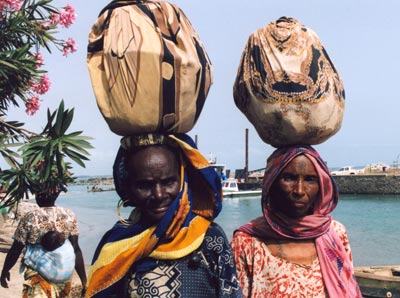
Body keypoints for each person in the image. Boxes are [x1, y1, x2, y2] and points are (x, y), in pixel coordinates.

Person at [85, 133, 242, 297]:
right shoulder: (115, 247)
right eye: (145, 185)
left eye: (168, 182)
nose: (159, 195)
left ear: (183, 181)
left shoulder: (210, 239)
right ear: (129, 188)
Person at [231, 145, 362, 297]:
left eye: (310, 180)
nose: (299, 190)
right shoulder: (247, 242)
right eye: (289, 178)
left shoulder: (335, 233)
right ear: (271, 183)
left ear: (322, 186)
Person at [0, 186, 87, 297]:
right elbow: (76, 249)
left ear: (38, 196)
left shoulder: (30, 217)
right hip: (63, 273)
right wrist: (84, 280)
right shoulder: (69, 215)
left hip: (38, 274)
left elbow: (16, 249)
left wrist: (5, 270)